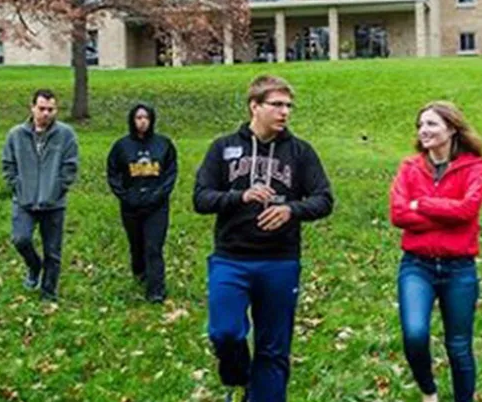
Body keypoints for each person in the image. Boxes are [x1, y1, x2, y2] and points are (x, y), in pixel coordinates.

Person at [194, 75, 334, 402]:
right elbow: (201, 198)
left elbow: (324, 199)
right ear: (254, 106)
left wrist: (291, 210)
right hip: (231, 258)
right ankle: (239, 376)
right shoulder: (223, 148)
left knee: (273, 349)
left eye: (289, 106)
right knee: (225, 332)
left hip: (280, 261)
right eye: (277, 105)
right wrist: (239, 197)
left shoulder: (300, 152)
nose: (285, 112)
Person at [388, 101, 482, 402]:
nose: (424, 130)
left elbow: (467, 210)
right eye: (420, 125)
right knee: (414, 335)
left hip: (459, 268)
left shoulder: (473, 167)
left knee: (459, 346)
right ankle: (428, 392)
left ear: (452, 129)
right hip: (417, 266)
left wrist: (421, 204)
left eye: (431, 124)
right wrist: (447, 215)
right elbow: (398, 214)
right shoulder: (409, 167)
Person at [0, 89, 80, 302]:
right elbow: (8, 164)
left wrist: (59, 188)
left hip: (53, 203)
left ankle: (48, 293)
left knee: (53, 251)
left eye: (51, 109)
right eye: (42, 108)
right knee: (21, 239)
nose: (46, 113)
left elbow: (70, 165)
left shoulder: (65, 134)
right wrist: (16, 185)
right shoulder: (16, 134)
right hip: (24, 200)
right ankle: (34, 266)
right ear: (32, 108)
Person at [106, 103, 178, 303]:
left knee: (154, 246)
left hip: (157, 206)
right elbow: (113, 173)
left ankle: (156, 290)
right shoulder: (121, 146)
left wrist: (158, 195)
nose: (142, 122)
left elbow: (170, 174)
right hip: (131, 205)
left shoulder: (164, 145)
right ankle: (140, 274)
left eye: (146, 117)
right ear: (132, 120)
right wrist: (126, 196)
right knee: (137, 244)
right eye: (138, 118)